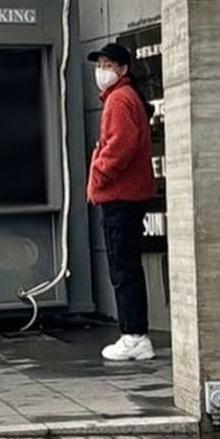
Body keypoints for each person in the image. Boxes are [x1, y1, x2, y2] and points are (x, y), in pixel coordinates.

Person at [86, 43, 156, 361]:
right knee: (127, 265)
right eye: (99, 63)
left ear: (123, 69)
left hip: (119, 197)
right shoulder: (128, 97)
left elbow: (119, 148)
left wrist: (98, 174)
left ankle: (134, 335)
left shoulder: (119, 100)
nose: (101, 70)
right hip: (129, 196)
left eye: (108, 64)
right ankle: (134, 334)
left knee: (122, 267)